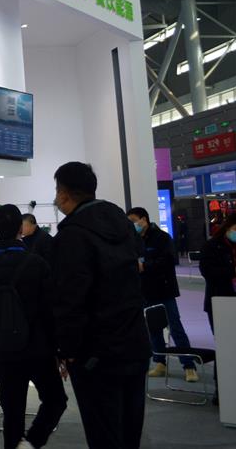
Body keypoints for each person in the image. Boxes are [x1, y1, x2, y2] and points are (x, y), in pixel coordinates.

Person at [51, 162, 151, 449]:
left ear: (64, 194)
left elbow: (70, 300)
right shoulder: (123, 224)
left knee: (104, 434)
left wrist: (67, 350)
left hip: (95, 353)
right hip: (134, 342)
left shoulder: (72, 236)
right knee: (130, 430)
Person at [0, 204, 66, 449]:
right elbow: (51, 311)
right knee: (55, 400)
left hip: (4, 351)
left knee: (12, 414)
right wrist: (59, 350)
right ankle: (32, 442)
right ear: (20, 230)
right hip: (39, 349)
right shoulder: (37, 264)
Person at [127, 207, 198, 383]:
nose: (132, 224)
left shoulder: (162, 238)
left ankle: (188, 365)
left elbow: (168, 261)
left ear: (144, 219)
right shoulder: (134, 240)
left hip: (164, 290)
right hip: (145, 291)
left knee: (175, 328)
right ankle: (160, 362)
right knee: (153, 329)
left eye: (134, 221)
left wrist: (145, 266)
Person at [199, 212, 236, 333]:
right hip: (218, 299)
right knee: (223, 337)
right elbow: (207, 272)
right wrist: (233, 272)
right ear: (228, 226)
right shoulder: (211, 246)